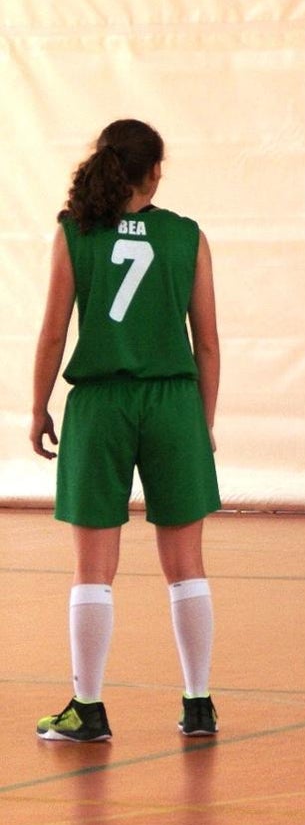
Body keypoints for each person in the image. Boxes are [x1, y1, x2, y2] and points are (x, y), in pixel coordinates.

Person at [30, 119, 222, 741]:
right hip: (173, 402)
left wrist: (38, 407)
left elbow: (54, 333)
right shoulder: (187, 236)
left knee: (93, 569)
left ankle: (88, 710)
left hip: (101, 404)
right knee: (186, 563)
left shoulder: (74, 232)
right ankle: (198, 704)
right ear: (155, 172)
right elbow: (207, 344)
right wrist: (202, 423)